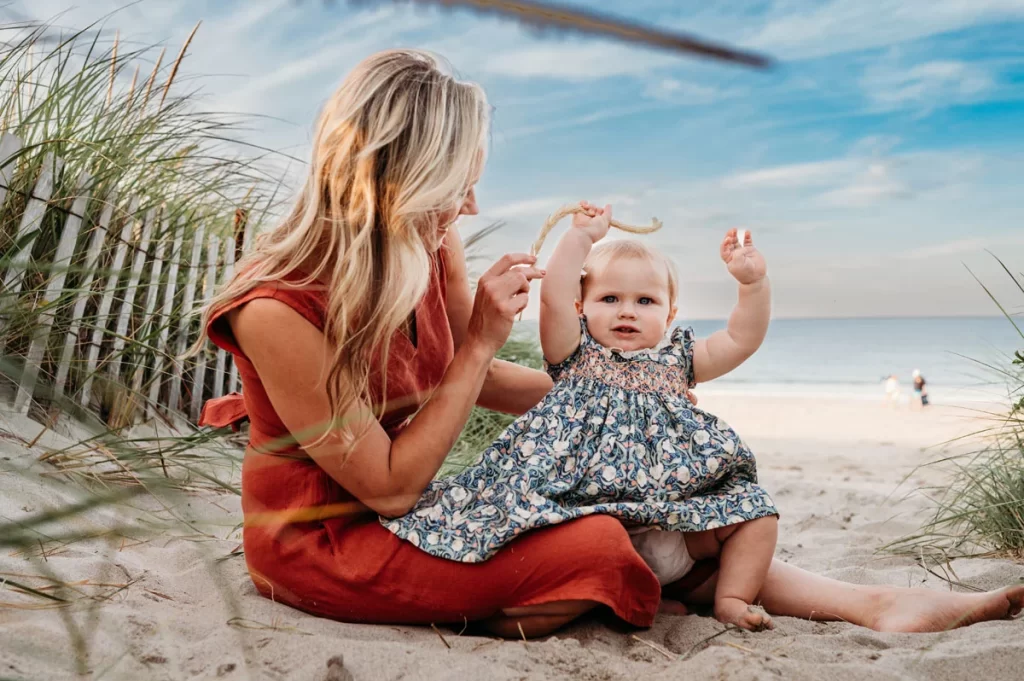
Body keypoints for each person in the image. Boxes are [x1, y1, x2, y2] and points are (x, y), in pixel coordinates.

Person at [195, 48, 1024, 639]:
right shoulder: (276, 307)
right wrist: (484, 339)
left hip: (419, 508)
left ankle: (869, 602)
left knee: (653, 494)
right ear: (395, 176)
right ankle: (538, 595)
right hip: (330, 541)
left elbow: (454, 381)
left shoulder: (424, 245)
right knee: (605, 546)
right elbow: (387, 485)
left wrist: (625, 400)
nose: (472, 204)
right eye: (458, 183)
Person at [385, 212, 778, 631]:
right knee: (568, 549)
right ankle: (629, 597)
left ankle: (732, 599)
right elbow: (553, 296)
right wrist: (580, 238)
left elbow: (740, 338)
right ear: (581, 307)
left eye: (645, 301)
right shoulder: (574, 352)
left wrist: (752, 285)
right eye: (609, 299)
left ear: (669, 315)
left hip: (670, 520)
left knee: (758, 514)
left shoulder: (678, 361)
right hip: (582, 516)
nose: (627, 311)